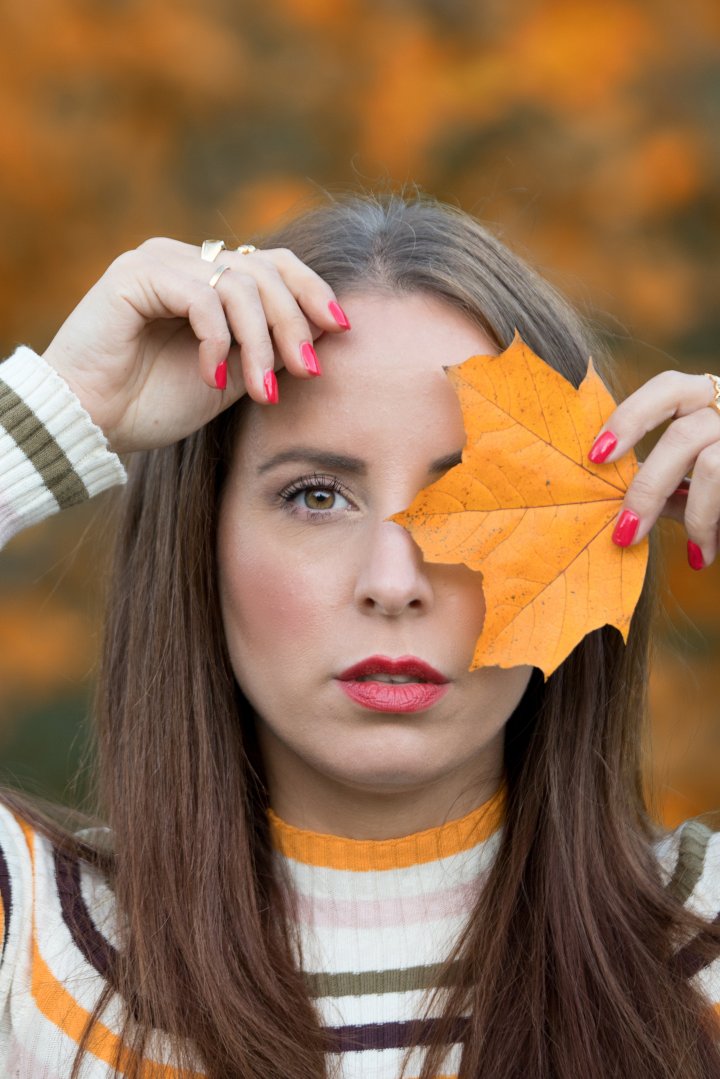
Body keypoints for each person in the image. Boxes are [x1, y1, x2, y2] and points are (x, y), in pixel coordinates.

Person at [0, 191, 719, 1079]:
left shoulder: (703, 952)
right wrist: (54, 409)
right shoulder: (29, 948)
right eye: (316, 495)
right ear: (202, 540)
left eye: (473, 504)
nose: (393, 583)